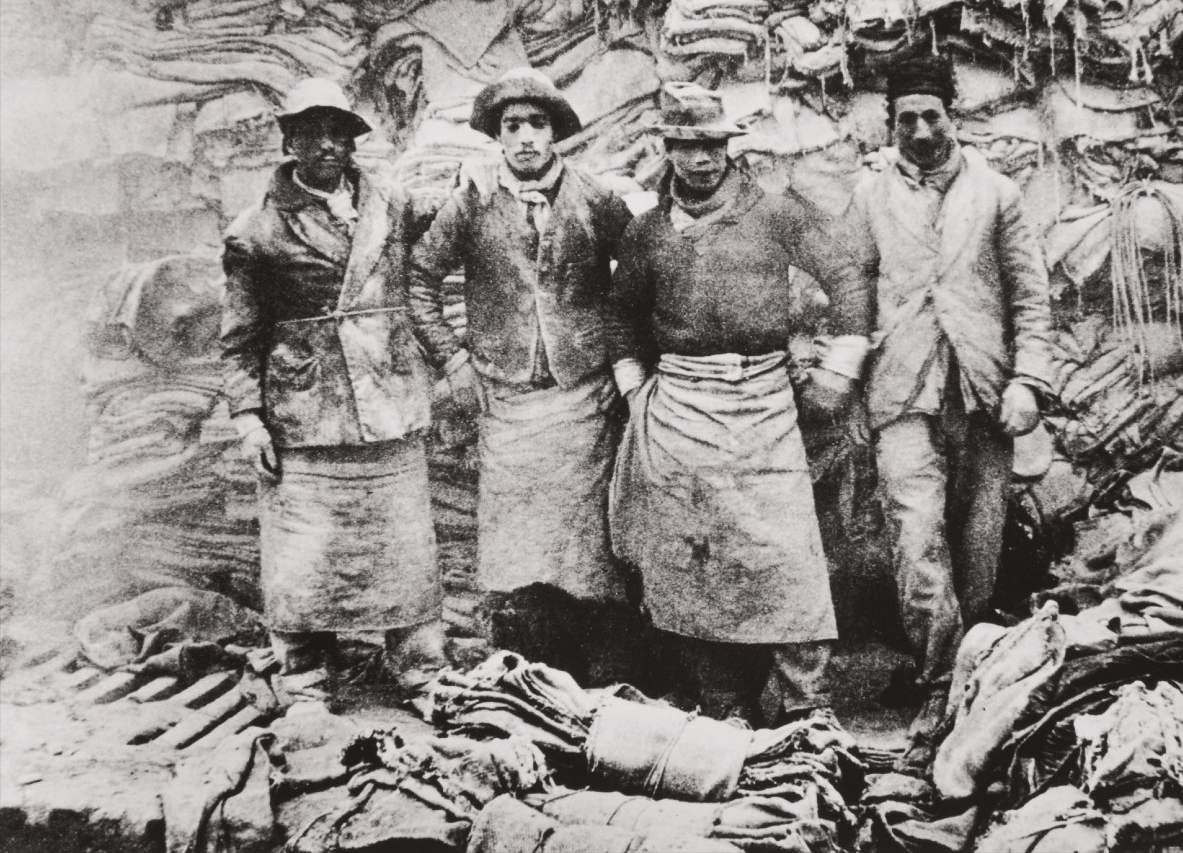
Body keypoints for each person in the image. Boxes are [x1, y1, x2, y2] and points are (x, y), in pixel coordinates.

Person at [611, 83, 872, 725]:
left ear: (729, 148)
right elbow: (620, 314)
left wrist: (838, 370)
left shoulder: (777, 212)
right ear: (668, 149)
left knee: (784, 554)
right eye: (687, 146)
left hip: (764, 402)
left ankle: (806, 703)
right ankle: (719, 699)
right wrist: (636, 390)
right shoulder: (646, 231)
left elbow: (845, 277)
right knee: (695, 556)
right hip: (680, 406)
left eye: (711, 145)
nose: (701, 159)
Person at [845, 54, 1054, 774]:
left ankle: (976, 676)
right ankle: (939, 680)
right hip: (901, 388)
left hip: (984, 389)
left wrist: (1029, 379)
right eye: (906, 118)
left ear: (951, 117)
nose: (920, 129)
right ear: (889, 123)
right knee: (914, 533)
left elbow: (1030, 296)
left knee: (980, 544)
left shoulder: (996, 193)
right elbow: (847, 289)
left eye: (931, 115)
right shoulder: (866, 194)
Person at [220, 78, 448, 701]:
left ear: (353, 143)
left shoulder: (391, 203)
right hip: (308, 411)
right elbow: (239, 342)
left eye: (339, 133)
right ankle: (306, 678)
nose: (327, 145)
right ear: (289, 140)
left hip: (390, 398)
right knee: (305, 556)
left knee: (403, 545)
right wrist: (247, 420)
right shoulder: (255, 232)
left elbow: (460, 214)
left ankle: (421, 669)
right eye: (312, 132)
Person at [409, 68, 639, 683]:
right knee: (517, 545)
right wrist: (453, 360)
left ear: (556, 133)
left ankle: (605, 670)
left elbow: (641, 274)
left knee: (590, 542)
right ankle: (535, 670)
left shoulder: (593, 198)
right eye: (513, 126)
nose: (527, 138)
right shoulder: (473, 203)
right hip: (505, 401)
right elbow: (419, 278)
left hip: (583, 396)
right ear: (498, 136)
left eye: (538, 125)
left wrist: (625, 358)